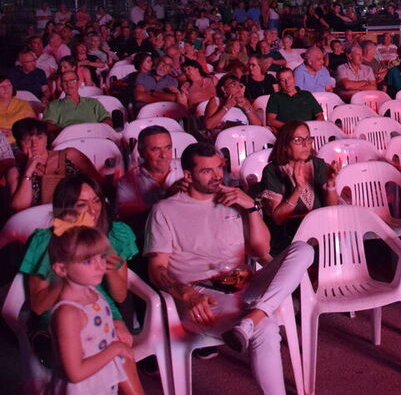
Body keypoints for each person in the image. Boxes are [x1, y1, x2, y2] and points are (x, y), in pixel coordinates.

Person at [145, 142, 313, 395]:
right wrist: (186, 294)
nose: (217, 176)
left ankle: (252, 319)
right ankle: (255, 321)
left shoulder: (234, 200)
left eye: (219, 169)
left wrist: (252, 208)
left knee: (303, 249)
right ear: (188, 176)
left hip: (244, 284)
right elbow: (156, 268)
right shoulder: (165, 210)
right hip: (203, 296)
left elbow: (260, 250)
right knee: (265, 327)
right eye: (206, 171)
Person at [20, 176, 141, 390]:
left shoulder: (114, 234)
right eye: (81, 205)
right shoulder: (47, 241)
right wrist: (64, 277)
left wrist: (110, 265)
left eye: (96, 200)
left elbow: (120, 296)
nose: (93, 210)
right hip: (60, 314)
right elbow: (38, 306)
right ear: (65, 210)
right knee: (112, 351)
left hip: (102, 310)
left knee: (118, 348)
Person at [46, 226, 143, 394]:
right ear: (61, 268)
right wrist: (116, 349)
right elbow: (75, 373)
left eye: (102, 256)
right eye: (87, 261)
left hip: (102, 381)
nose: (100, 266)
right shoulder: (68, 314)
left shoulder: (93, 293)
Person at [259, 121, 338, 253]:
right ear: (284, 145)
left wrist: (330, 185)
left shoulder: (318, 164)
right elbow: (278, 219)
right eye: (297, 140)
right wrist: (298, 190)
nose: (305, 144)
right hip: (288, 238)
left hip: (320, 232)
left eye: (308, 139)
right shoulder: (272, 171)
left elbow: (331, 209)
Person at [6, 118, 99, 212]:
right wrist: (28, 171)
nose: (34, 144)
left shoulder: (70, 155)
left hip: (78, 213)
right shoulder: (15, 171)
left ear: (46, 138)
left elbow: (99, 185)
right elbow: (19, 208)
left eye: (39, 137)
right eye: (28, 140)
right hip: (39, 221)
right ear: (18, 144)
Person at [43, 69, 112, 135]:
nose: (68, 84)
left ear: (79, 83)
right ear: (61, 85)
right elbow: (48, 125)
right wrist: (67, 132)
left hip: (93, 136)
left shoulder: (93, 102)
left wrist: (98, 130)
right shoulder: (54, 105)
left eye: (72, 80)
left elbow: (107, 119)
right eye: (65, 81)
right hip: (67, 139)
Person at [0, 74, 36, 144]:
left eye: (9, 85)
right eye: (2, 86)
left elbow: (32, 125)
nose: (6, 89)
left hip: (19, 143)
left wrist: (15, 132)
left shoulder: (23, 104)